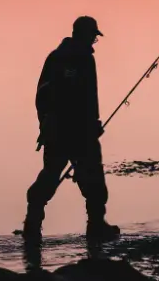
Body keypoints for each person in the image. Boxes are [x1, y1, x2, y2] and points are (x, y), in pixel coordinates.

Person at [23, 16, 121, 245]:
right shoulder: (85, 60)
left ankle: (31, 224)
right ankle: (96, 227)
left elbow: (41, 97)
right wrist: (93, 124)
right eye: (93, 37)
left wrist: (44, 125)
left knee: (50, 175)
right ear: (84, 35)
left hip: (56, 132)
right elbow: (89, 98)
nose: (94, 41)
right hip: (79, 134)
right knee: (94, 180)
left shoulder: (54, 57)